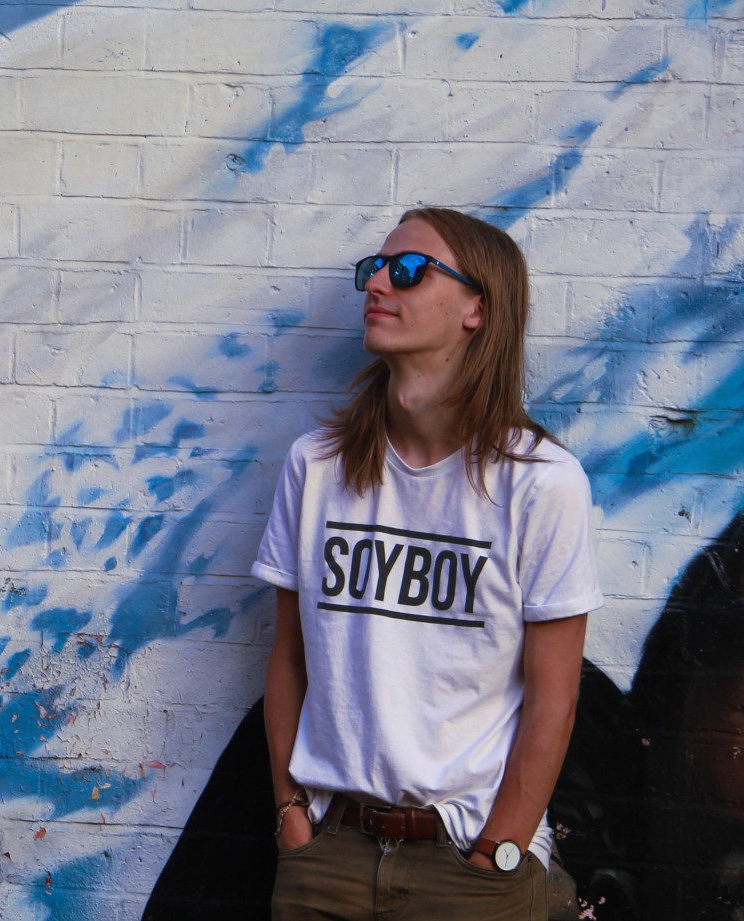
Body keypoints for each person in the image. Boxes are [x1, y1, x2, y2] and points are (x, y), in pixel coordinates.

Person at [251, 207, 604, 920]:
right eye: (373, 269)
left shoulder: (539, 482)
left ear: (477, 307)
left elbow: (553, 698)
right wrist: (293, 819)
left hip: (466, 860)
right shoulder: (315, 468)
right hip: (329, 855)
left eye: (407, 270)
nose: (377, 282)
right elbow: (287, 657)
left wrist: (497, 851)